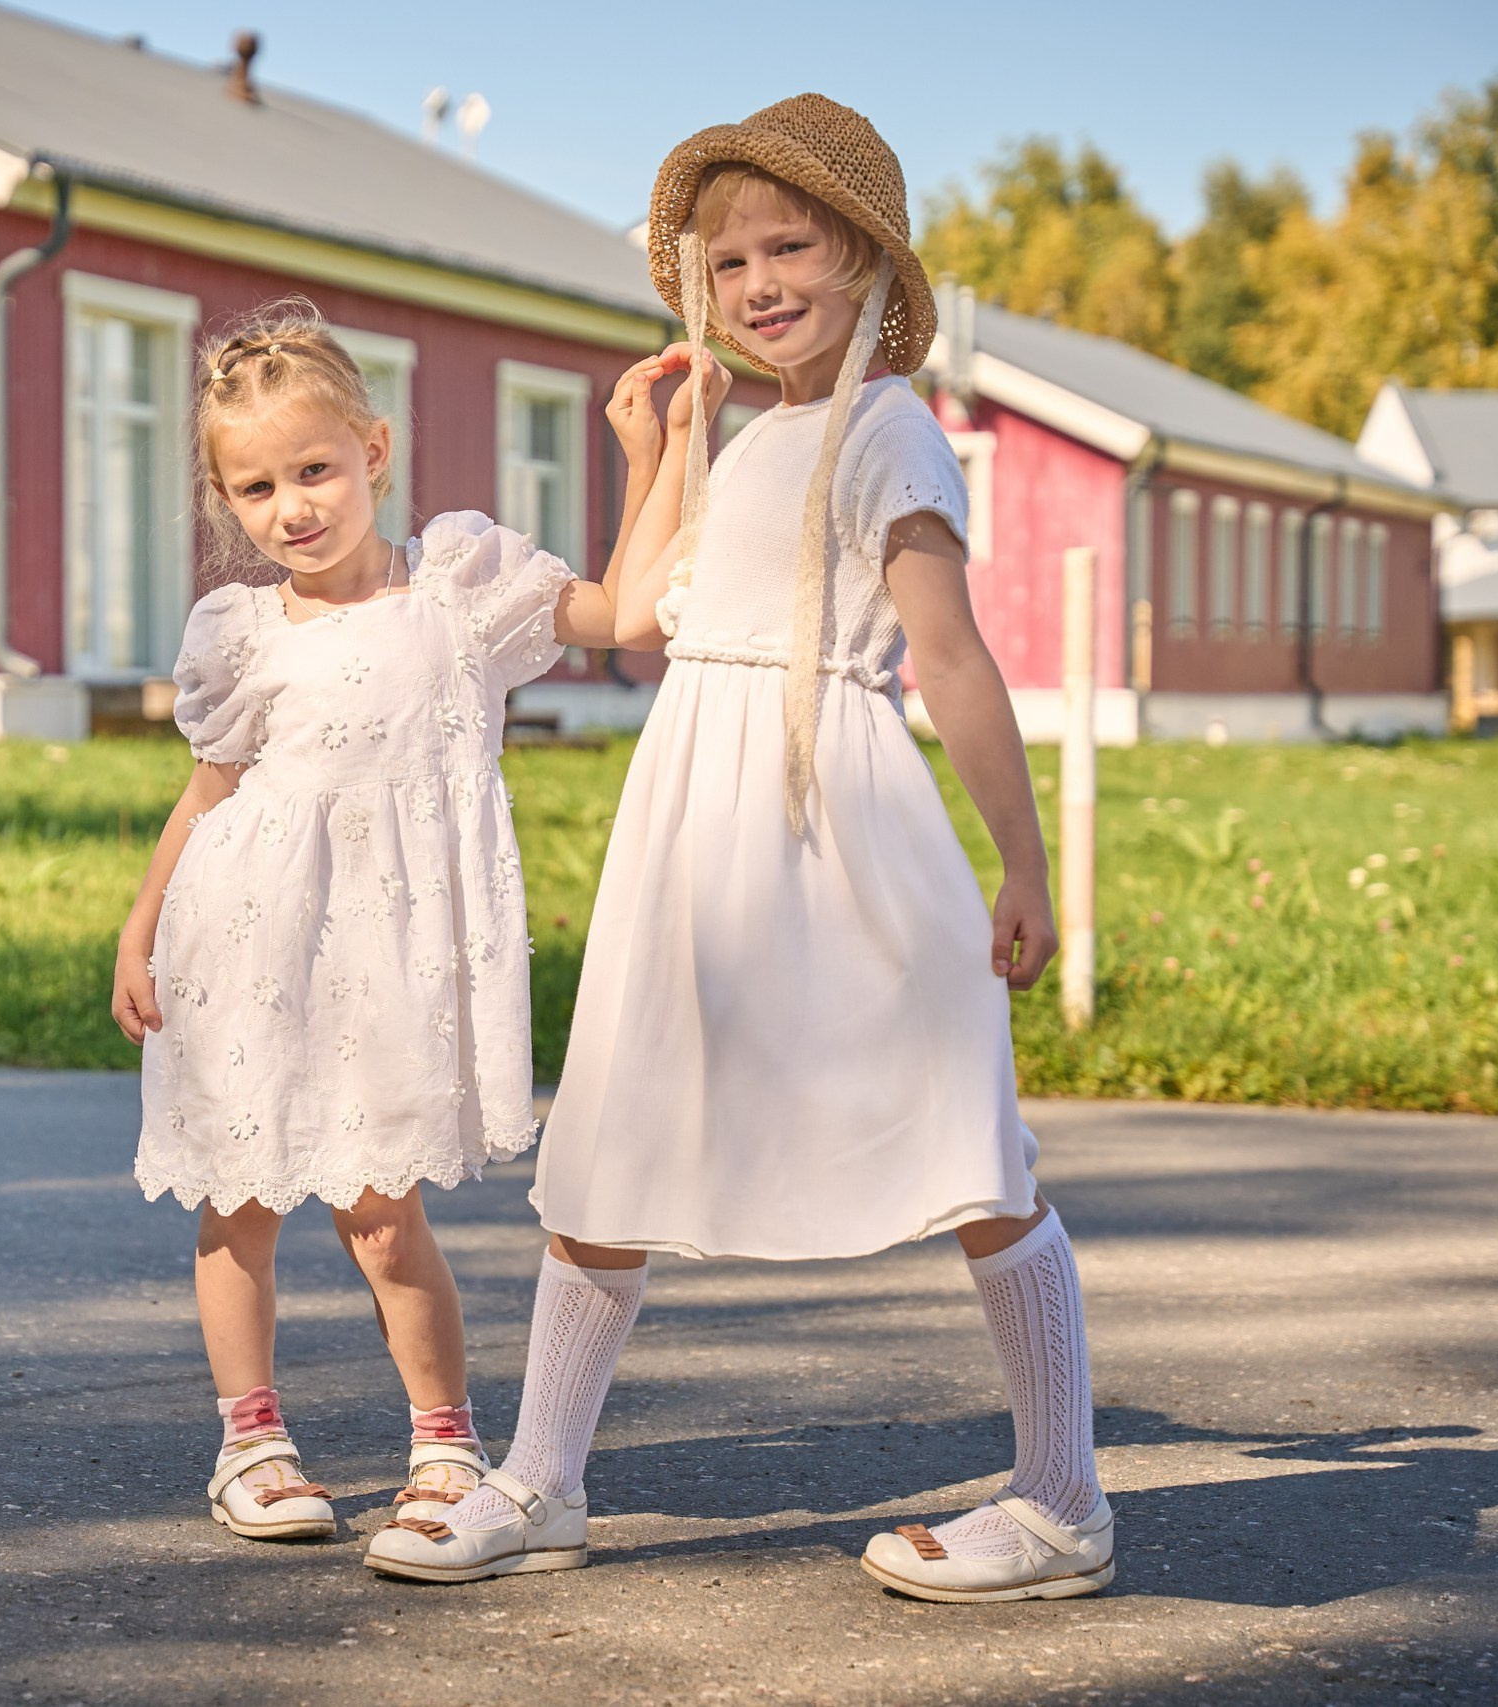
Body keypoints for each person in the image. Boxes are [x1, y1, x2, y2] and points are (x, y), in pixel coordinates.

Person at [367, 95, 1113, 1602]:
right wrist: (654, 449)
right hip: (692, 828)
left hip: (838, 818)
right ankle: (543, 1475)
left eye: (792, 247)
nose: (760, 280)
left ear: (867, 265)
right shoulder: (741, 434)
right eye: (728, 262)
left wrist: (1023, 866)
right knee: (610, 1137)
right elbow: (646, 626)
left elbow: (951, 658)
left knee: (965, 1143)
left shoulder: (887, 427)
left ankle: (1064, 1497)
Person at [108, 303, 632, 1553]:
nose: (290, 506)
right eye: (254, 487)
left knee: (382, 1212)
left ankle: (445, 1441)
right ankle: (251, 1443)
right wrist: (138, 929)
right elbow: (210, 791)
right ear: (224, 500)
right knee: (238, 1197)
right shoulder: (240, 635)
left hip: (380, 962)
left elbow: (621, 617)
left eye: (313, 470)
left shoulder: (455, 590)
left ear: (374, 452)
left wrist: (659, 452)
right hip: (241, 945)